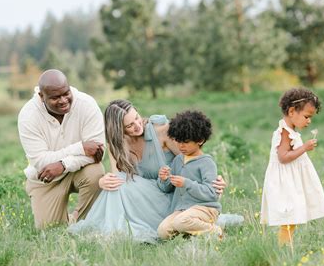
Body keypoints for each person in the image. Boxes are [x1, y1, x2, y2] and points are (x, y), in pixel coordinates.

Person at [68, 100, 234, 242]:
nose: (137, 125)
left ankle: (120, 230)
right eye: (129, 125)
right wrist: (103, 180)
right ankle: (114, 230)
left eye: (137, 118)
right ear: (118, 129)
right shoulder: (116, 144)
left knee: (122, 183)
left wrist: (215, 178)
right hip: (140, 199)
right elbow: (117, 176)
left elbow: (193, 158)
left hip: (169, 194)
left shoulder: (161, 130)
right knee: (116, 183)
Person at [18, 69, 105, 229]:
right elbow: (40, 161)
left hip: (81, 170)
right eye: (55, 97)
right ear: (41, 96)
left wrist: (63, 165)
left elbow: (97, 152)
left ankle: (84, 224)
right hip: (46, 178)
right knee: (51, 230)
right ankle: (69, 221)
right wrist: (81, 147)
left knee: (96, 173)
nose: (64, 100)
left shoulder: (87, 104)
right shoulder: (28, 115)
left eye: (66, 93)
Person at [260, 88, 324, 246]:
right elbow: (283, 158)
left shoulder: (290, 130)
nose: (309, 121)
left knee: (293, 216)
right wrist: (304, 148)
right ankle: (283, 247)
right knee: (289, 216)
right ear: (292, 111)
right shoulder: (284, 132)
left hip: (291, 180)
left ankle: (285, 245)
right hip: (285, 182)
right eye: (307, 116)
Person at [157, 110, 222, 240]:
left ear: (200, 140)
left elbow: (212, 193)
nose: (180, 146)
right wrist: (164, 179)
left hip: (205, 209)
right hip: (181, 211)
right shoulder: (178, 160)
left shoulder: (206, 162)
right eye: (178, 141)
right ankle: (192, 236)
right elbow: (167, 188)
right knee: (162, 232)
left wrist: (186, 183)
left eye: (186, 142)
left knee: (180, 222)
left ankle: (216, 231)